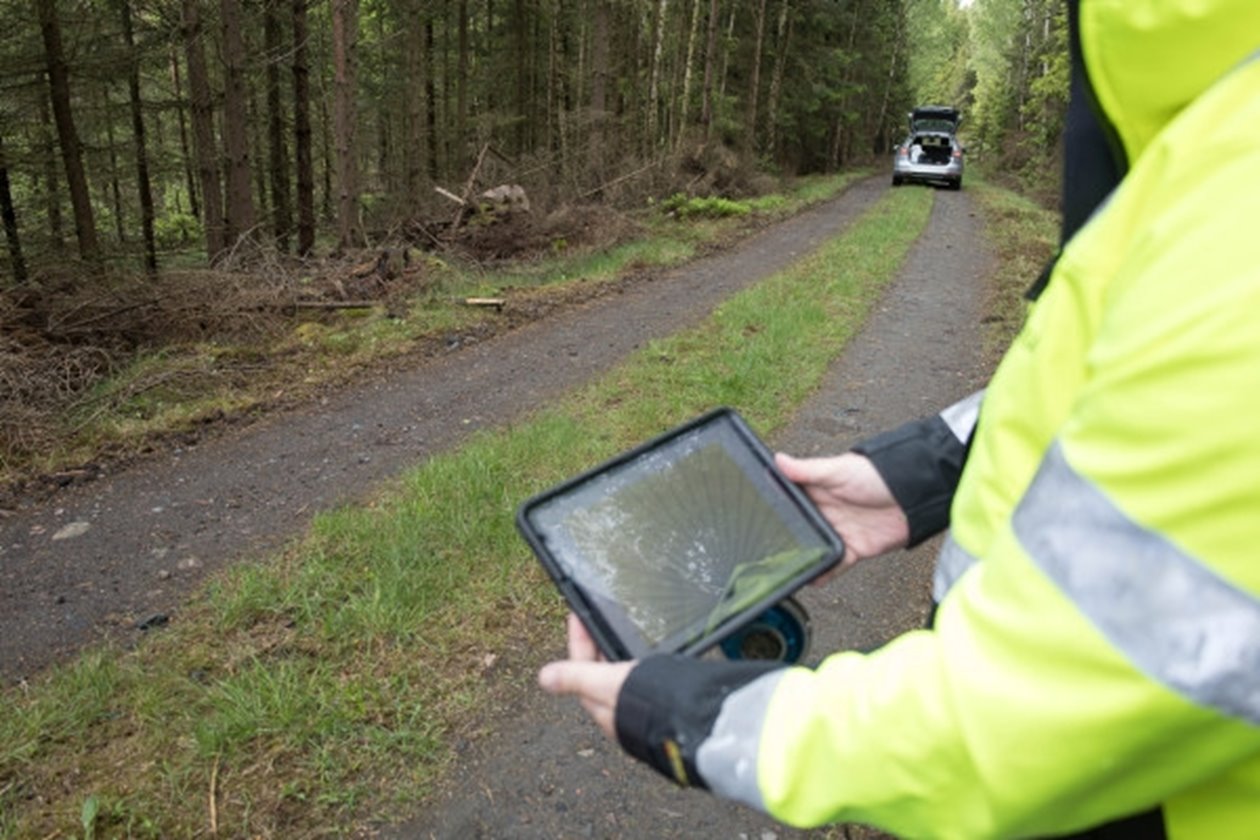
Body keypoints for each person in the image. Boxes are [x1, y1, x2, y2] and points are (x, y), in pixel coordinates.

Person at [538, 1, 1260, 836]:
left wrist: (710, 724)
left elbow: (1027, 720)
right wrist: (921, 474)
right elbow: (1133, 390)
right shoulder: (1207, 126)